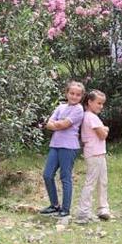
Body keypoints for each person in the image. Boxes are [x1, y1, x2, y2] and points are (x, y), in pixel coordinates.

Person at [41, 80, 85, 218]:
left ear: (81, 96)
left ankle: (65, 209)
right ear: (67, 93)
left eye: (78, 94)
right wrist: (56, 124)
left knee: (65, 177)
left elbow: (63, 125)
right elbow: (48, 123)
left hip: (69, 147)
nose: (74, 96)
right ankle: (54, 205)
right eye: (71, 93)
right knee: (47, 175)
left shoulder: (78, 109)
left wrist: (56, 124)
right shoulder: (60, 107)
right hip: (55, 145)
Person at [75, 90, 111, 224]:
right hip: (94, 153)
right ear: (89, 102)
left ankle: (103, 208)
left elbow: (101, 132)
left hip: (99, 153)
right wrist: (105, 129)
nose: (101, 106)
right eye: (98, 103)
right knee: (91, 182)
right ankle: (83, 211)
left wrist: (103, 129)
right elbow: (102, 135)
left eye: (102, 104)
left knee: (103, 181)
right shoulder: (91, 117)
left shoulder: (92, 117)